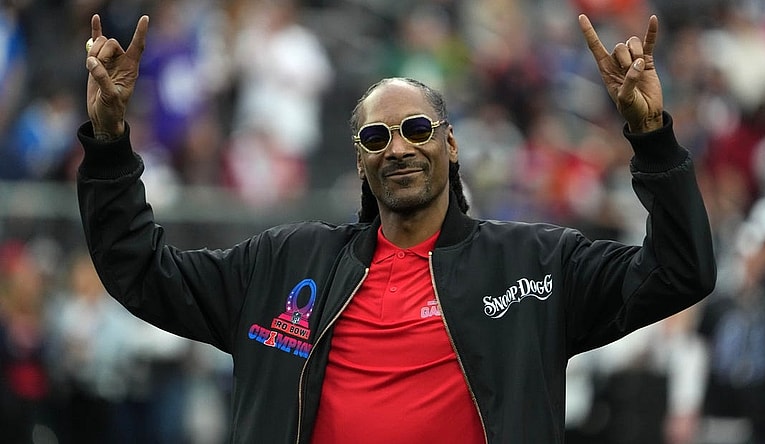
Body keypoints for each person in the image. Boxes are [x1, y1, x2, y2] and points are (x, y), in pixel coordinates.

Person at [77, 11, 716, 444]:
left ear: (452, 145)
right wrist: (108, 141)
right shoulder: (282, 265)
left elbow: (680, 273)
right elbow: (139, 269)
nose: (398, 147)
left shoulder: (536, 265)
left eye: (416, 129)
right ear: (359, 157)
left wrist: (651, 137)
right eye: (377, 136)